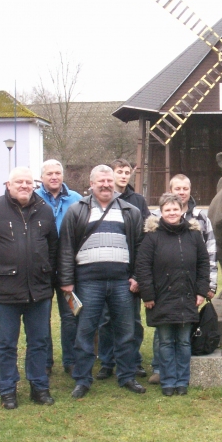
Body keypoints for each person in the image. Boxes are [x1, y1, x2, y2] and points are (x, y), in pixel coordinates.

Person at [0, 166, 58, 409]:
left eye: (28, 182)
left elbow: (53, 249)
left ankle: (39, 387)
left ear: (34, 185)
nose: (24, 186)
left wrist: (49, 277)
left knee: (39, 342)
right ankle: (7, 390)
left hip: (38, 290)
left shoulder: (45, 210)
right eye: (18, 182)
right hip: (5, 289)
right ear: (8, 185)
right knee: (7, 344)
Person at [58, 165, 146, 398]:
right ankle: (82, 379)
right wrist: (67, 281)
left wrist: (136, 276)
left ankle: (127, 376)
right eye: (101, 181)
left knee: (126, 331)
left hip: (121, 283)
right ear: (92, 183)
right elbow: (66, 248)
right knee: (85, 332)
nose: (106, 184)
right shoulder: (76, 211)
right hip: (87, 283)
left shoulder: (131, 211)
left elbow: (140, 248)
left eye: (109, 180)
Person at [135, 193, 210, 396]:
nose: (172, 213)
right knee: (166, 341)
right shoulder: (152, 236)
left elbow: (204, 264)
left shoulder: (194, 235)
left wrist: (201, 291)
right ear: (161, 211)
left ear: (182, 210)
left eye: (175, 209)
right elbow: (142, 266)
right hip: (161, 298)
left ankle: (182, 381)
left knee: (184, 342)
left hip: (187, 296)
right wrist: (148, 295)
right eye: (167, 209)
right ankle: (168, 381)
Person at [147, 174, 217, 385]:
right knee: (163, 332)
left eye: (185, 188)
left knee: (185, 334)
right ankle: (160, 369)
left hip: (190, 285)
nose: (182, 192)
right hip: (164, 288)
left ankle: (181, 373)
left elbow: (210, 253)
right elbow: (145, 258)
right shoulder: (154, 220)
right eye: (177, 188)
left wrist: (208, 285)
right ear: (170, 190)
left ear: (189, 190)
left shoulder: (201, 218)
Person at [96, 158, 150, 381]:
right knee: (106, 319)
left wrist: (137, 273)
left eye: (128, 172)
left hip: (129, 270)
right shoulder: (100, 200)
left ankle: (132, 360)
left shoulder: (138, 201)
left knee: (132, 320)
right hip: (105, 270)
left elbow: (144, 236)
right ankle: (107, 361)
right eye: (120, 171)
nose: (124, 176)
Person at [34, 159, 82, 376]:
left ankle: (71, 360)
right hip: (40, 268)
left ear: (63, 176)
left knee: (70, 315)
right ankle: (45, 361)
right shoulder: (33, 199)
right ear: (42, 177)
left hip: (69, 268)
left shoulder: (76, 199)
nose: (54, 177)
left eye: (57, 173)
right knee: (41, 318)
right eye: (49, 173)